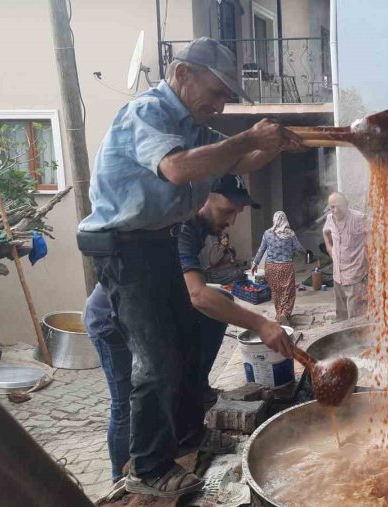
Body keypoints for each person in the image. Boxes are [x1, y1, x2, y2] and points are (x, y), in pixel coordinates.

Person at [76, 37, 300, 498]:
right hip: (126, 250)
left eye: (225, 99)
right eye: (216, 93)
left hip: (155, 246)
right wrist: (250, 137)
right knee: (154, 363)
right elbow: (178, 169)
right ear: (182, 74)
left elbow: (238, 158)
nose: (219, 106)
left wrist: (273, 147)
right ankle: (145, 469)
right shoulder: (149, 113)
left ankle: (183, 442)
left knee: (183, 351)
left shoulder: (193, 125)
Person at [84, 176, 284, 485]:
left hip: (156, 313)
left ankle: (191, 436)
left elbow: (197, 292)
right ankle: (123, 480)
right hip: (112, 321)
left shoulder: (192, 228)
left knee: (206, 324)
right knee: (130, 399)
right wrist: (260, 323)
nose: (231, 220)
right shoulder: (180, 229)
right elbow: (197, 295)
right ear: (204, 197)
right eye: (227, 210)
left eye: (236, 213)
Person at [252, 211, 305, 325]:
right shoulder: (290, 234)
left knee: (277, 292)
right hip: (286, 266)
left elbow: (261, 250)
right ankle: (285, 314)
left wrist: (255, 263)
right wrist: (297, 252)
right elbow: (299, 249)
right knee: (288, 292)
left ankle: (278, 315)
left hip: (271, 267)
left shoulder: (267, 233)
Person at [323, 192, 369, 320]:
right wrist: (329, 247)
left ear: (347, 204)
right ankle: (342, 337)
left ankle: (357, 338)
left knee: (355, 316)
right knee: (341, 314)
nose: (335, 210)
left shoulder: (360, 218)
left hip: (356, 274)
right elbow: (326, 232)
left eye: (339, 206)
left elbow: (376, 234)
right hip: (338, 275)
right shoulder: (329, 219)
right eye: (332, 207)